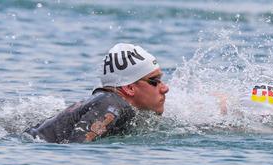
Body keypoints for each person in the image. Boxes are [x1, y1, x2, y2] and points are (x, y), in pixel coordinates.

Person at [25, 43, 169, 143]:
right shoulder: (112, 105)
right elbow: (73, 149)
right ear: (129, 88)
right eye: (154, 81)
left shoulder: (108, 101)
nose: (165, 88)